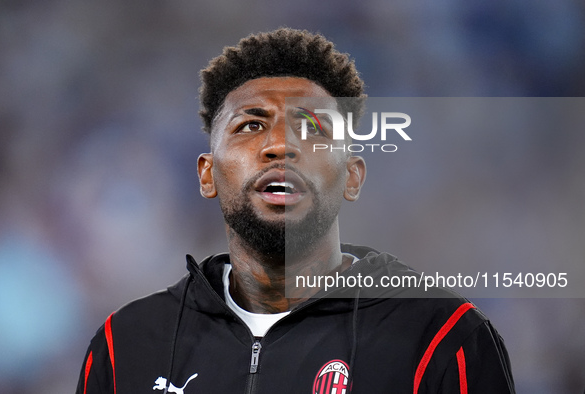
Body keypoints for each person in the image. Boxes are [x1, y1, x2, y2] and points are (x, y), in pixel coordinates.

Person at [76, 28, 515, 394]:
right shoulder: (125, 345)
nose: (280, 146)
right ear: (207, 175)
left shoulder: (443, 339)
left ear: (352, 176)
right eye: (251, 125)